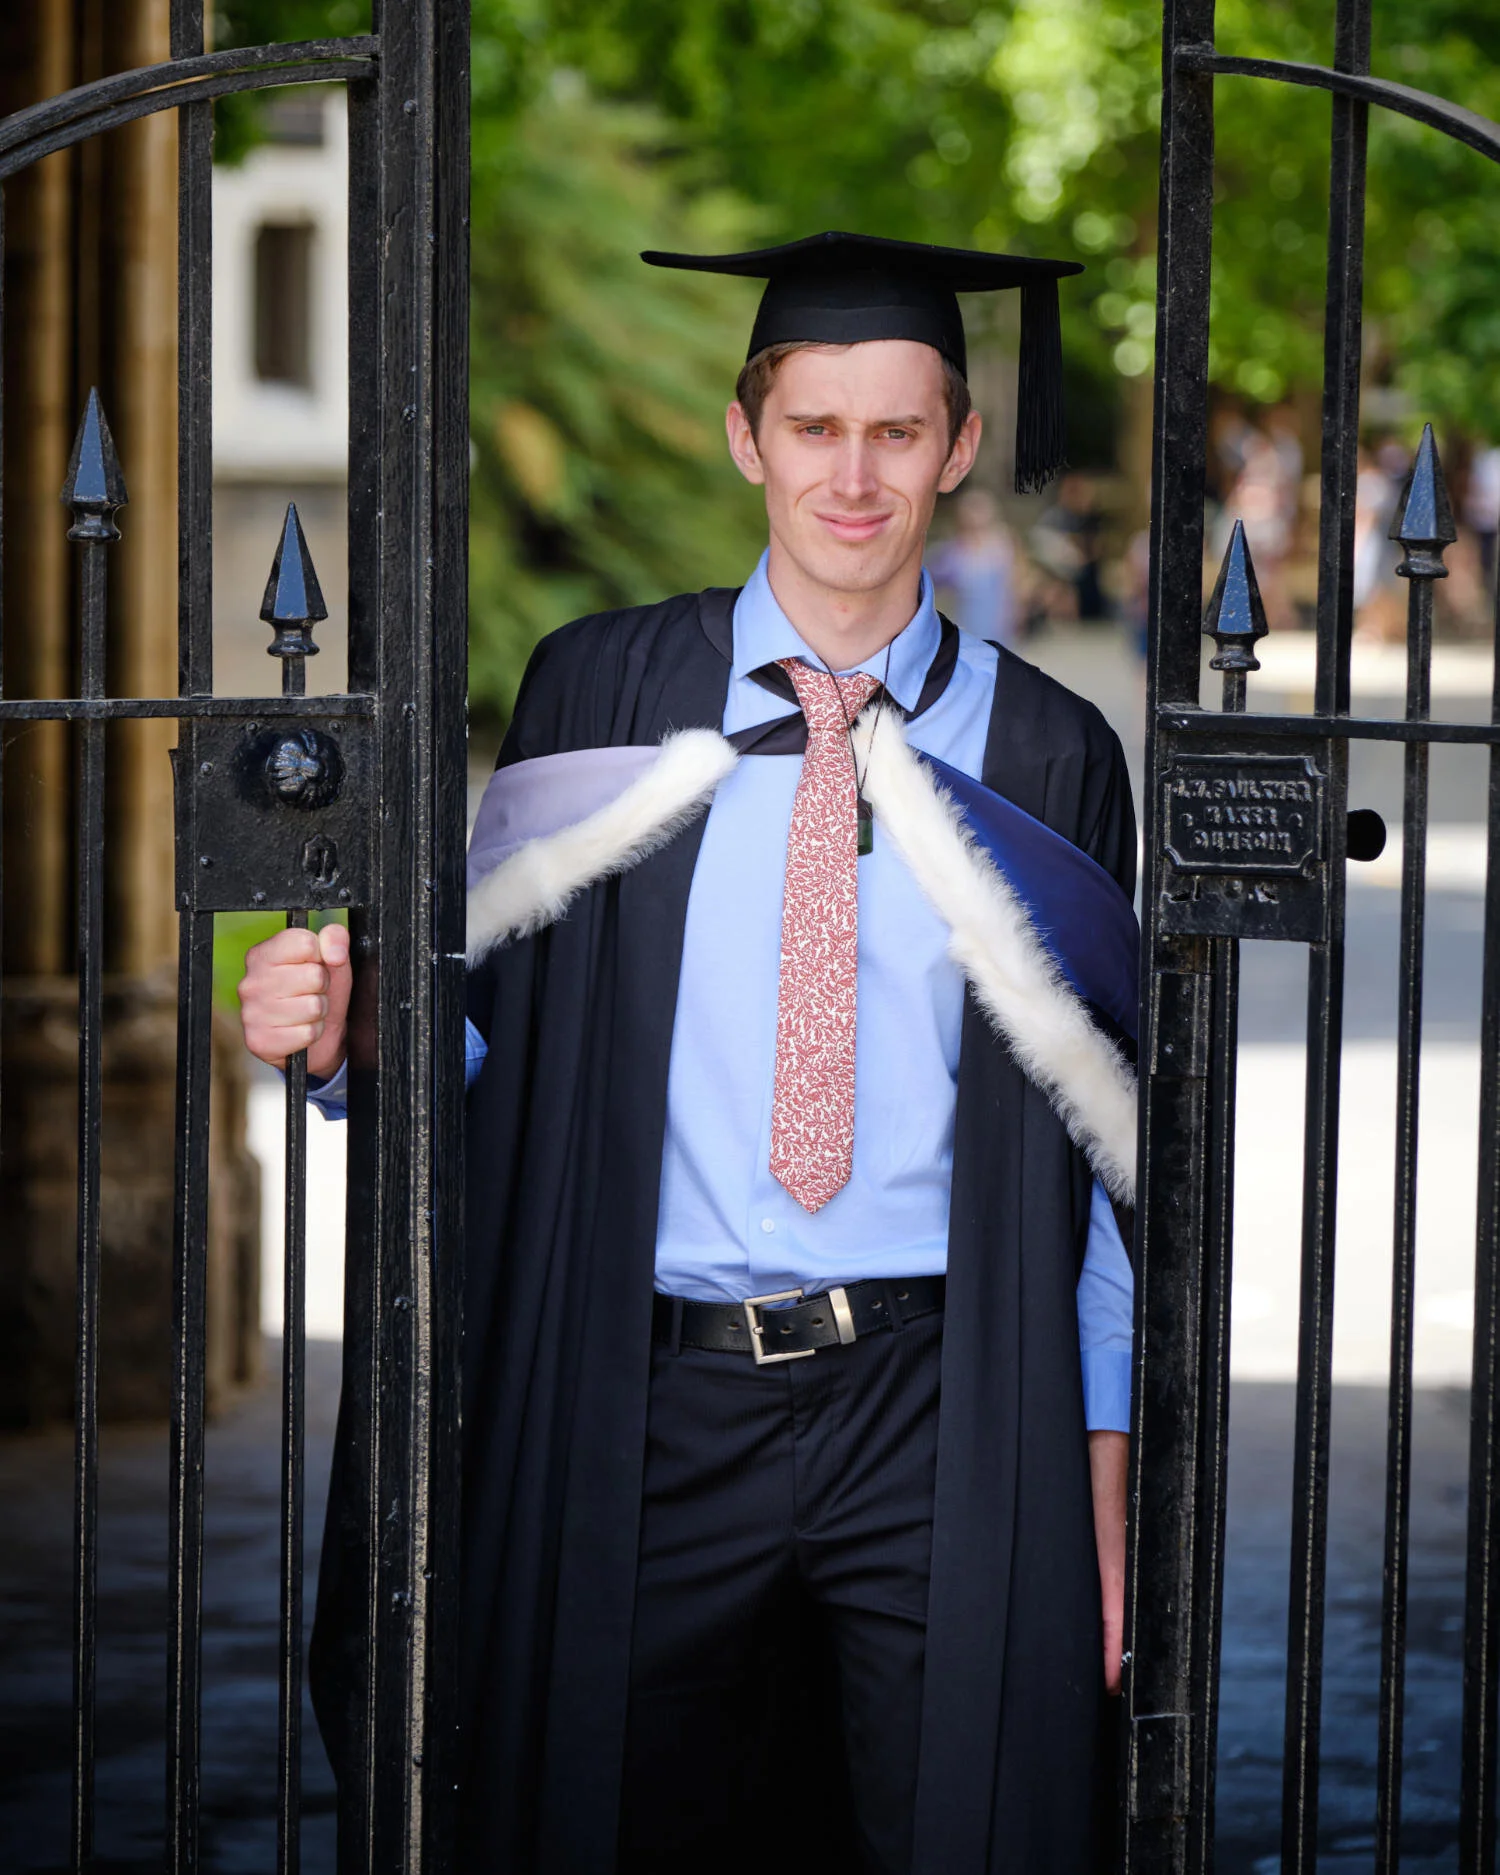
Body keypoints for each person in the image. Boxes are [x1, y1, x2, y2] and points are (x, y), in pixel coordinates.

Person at [237, 231, 1139, 1875]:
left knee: (972, 1825)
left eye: (895, 431)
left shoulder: (1047, 752)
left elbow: (1109, 1152)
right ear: (749, 437)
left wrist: (1104, 1462)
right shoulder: (601, 692)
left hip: (939, 1404)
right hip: (649, 1399)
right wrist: (349, 1040)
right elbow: (500, 1049)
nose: (851, 477)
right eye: (814, 427)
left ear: (952, 446)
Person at [927, 487, 1022, 646]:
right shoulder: (953, 549)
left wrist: (1016, 613)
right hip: (965, 619)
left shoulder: (1002, 542)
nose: (974, 516)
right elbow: (932, 576)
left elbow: (1014, 581)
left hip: (997, 621)